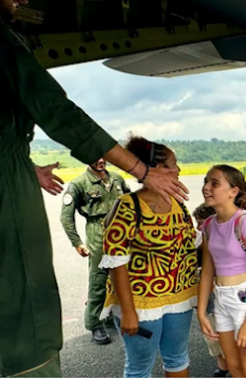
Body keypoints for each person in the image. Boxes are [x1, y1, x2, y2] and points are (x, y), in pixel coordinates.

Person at [0, 0, 188, 377]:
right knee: (23, 302)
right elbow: (60, 115)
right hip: (129, 288)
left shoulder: (173, 209)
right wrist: (140, 170)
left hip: (169, 301)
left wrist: (22, 167)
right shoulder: (5, 43)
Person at [99, 137, 198, 378]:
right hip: (141, 304)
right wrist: (129, 311)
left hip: (180, 298)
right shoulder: (127, 206)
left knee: (177, 358)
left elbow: (191, 248)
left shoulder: (178, 204)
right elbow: (116, 261)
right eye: (172, 165)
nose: (179, 170)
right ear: (154, 170)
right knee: (140, 367)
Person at [198, 165, 246, 378]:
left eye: (214, 183)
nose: (206, 187)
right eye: (206, 182)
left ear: (234, 191)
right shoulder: (209, 226)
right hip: (221, 299)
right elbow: (207, 272)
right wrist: (202, 311)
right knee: (234, 368)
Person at [60, 158, 130, 345]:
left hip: (122, 231)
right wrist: (77, 242)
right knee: (99, 279)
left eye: (103, 156)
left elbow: (133, 202)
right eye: (95, 157)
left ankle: (120, 315)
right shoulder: (79, 184)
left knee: (125, 275)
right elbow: (66, 217)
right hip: (97, 233)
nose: (100, 160)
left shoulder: (117, 179)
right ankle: (95, 323)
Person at [193, 203, 229, 378]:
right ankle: (222, 366)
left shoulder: (226, 241)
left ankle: (234, 364)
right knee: (213, 335)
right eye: (197, 224)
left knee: (230, 334)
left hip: (226, 297)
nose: (199, 228)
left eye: (201, 223)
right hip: (208, 300)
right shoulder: (198, 242)